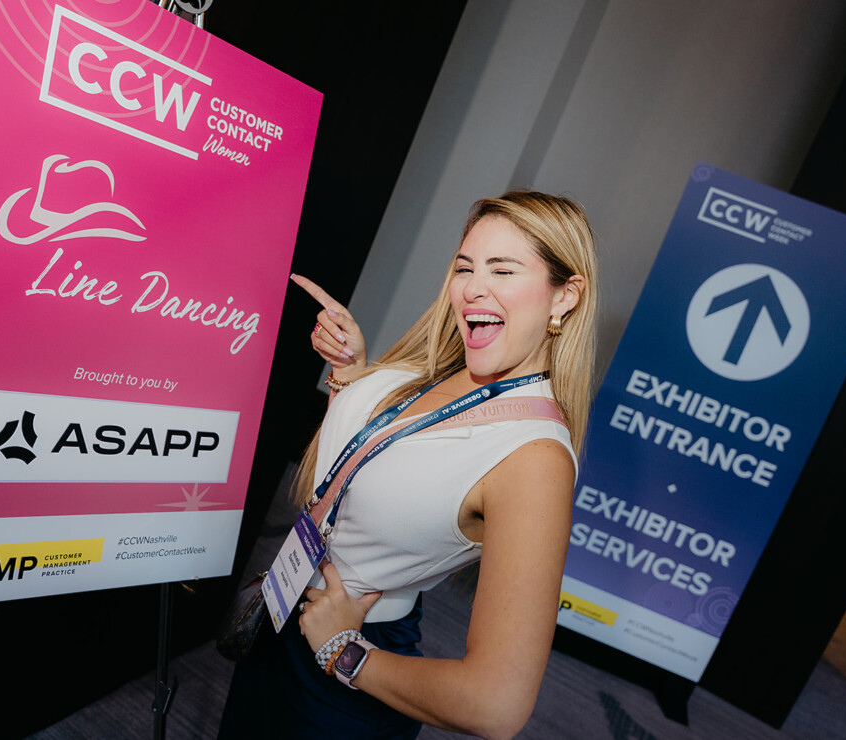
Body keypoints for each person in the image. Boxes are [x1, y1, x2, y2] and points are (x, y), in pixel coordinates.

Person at [218, 191, 598, 739]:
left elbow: (496, 705)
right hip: (287, 613)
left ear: (565, 295)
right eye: (465, 266)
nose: (473, 286)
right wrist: (350, 377)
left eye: (503, 269)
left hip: (343, 677)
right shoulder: (435, 369)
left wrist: (344, 653)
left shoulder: (534, 459)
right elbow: (366, 471)